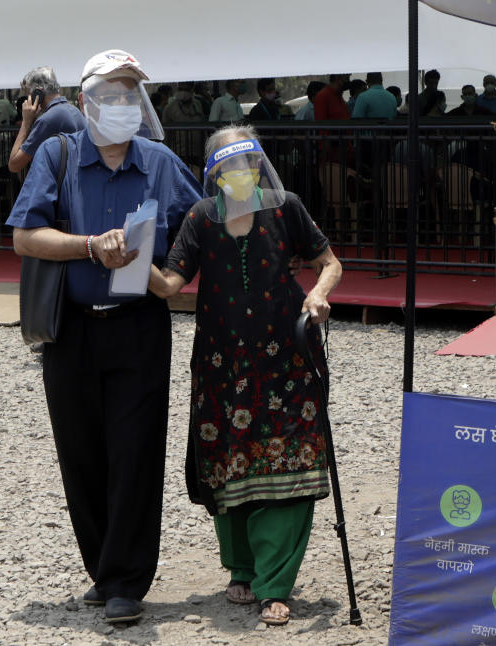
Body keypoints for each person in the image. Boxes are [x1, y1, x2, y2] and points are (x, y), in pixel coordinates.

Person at [5, 48, 204, 625]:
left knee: (136, 452)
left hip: (138, 327)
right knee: (82, 453)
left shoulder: (160, 161)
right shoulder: (57, 153)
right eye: (114, 92)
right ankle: (103, 567)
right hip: (70, 331)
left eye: (132, 92)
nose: (126, 103)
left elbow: (203, 227)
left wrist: (175, 278)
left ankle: (125, 579)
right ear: (88, 100)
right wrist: (91, 244)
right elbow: (25, 236)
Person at [147, 123, 342, 627]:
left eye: (248, 164)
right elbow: (170, 283)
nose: (240, 174)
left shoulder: (285, 207)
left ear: (258, 164)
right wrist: (131, 264)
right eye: (229, 166)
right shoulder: (199, 218)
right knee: (228, 460)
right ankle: (242, 567)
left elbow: (329, 263)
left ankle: (275, 584)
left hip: (287, 360)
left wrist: (318, 294)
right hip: (221, 364)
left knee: (291, 460)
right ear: (213, 172)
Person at [8, 66, 87, 173]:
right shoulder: (74, 111)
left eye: (28, 94)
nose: (27, 100)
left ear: (37, 93)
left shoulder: (48, 120)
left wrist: (26, 123)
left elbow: (14, 165)